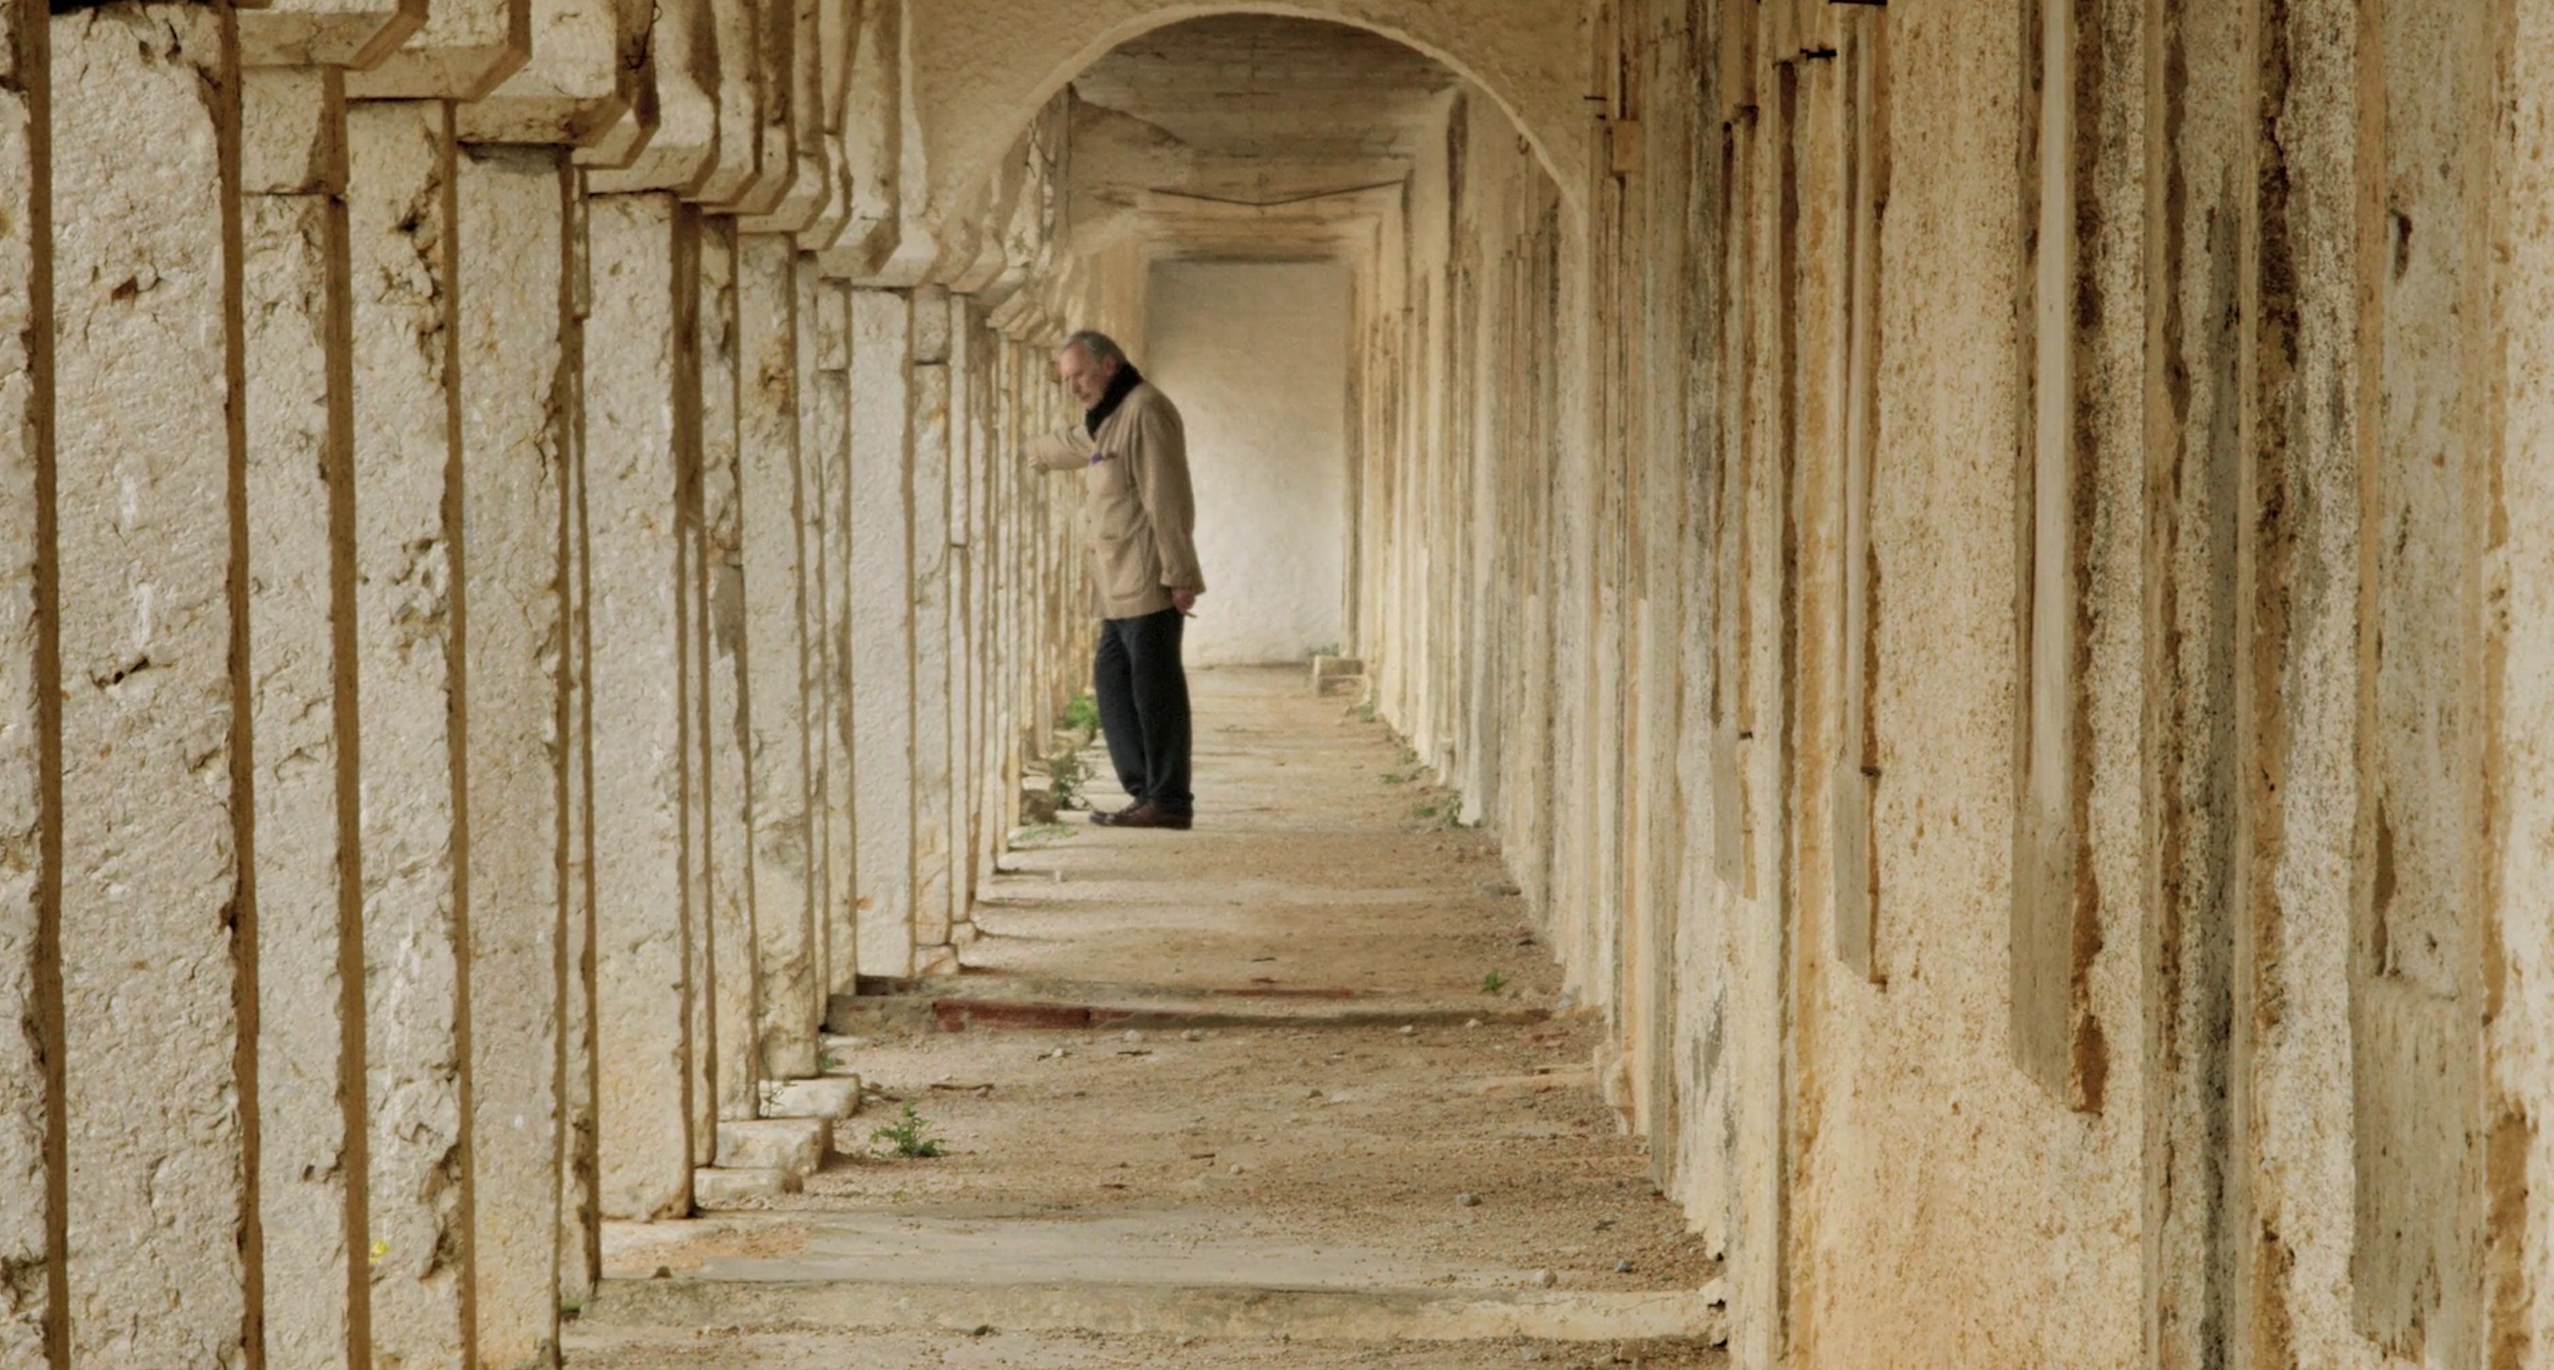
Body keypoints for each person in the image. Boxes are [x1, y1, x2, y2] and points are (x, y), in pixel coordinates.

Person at [1024, 330, 1205, 830]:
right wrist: (1020, 449)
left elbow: (1167, 498)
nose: (1073, 387)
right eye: (1066, 379)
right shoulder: (1109, 415)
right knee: (1114, 684)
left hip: (1148, 580)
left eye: (1079, 375)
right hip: (1117, 586)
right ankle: (1147, 793)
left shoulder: (1145, 410)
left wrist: (1180, 574)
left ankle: (1169, 800)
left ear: (1109, 366)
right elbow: (1075, 443)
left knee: (1155, 693)